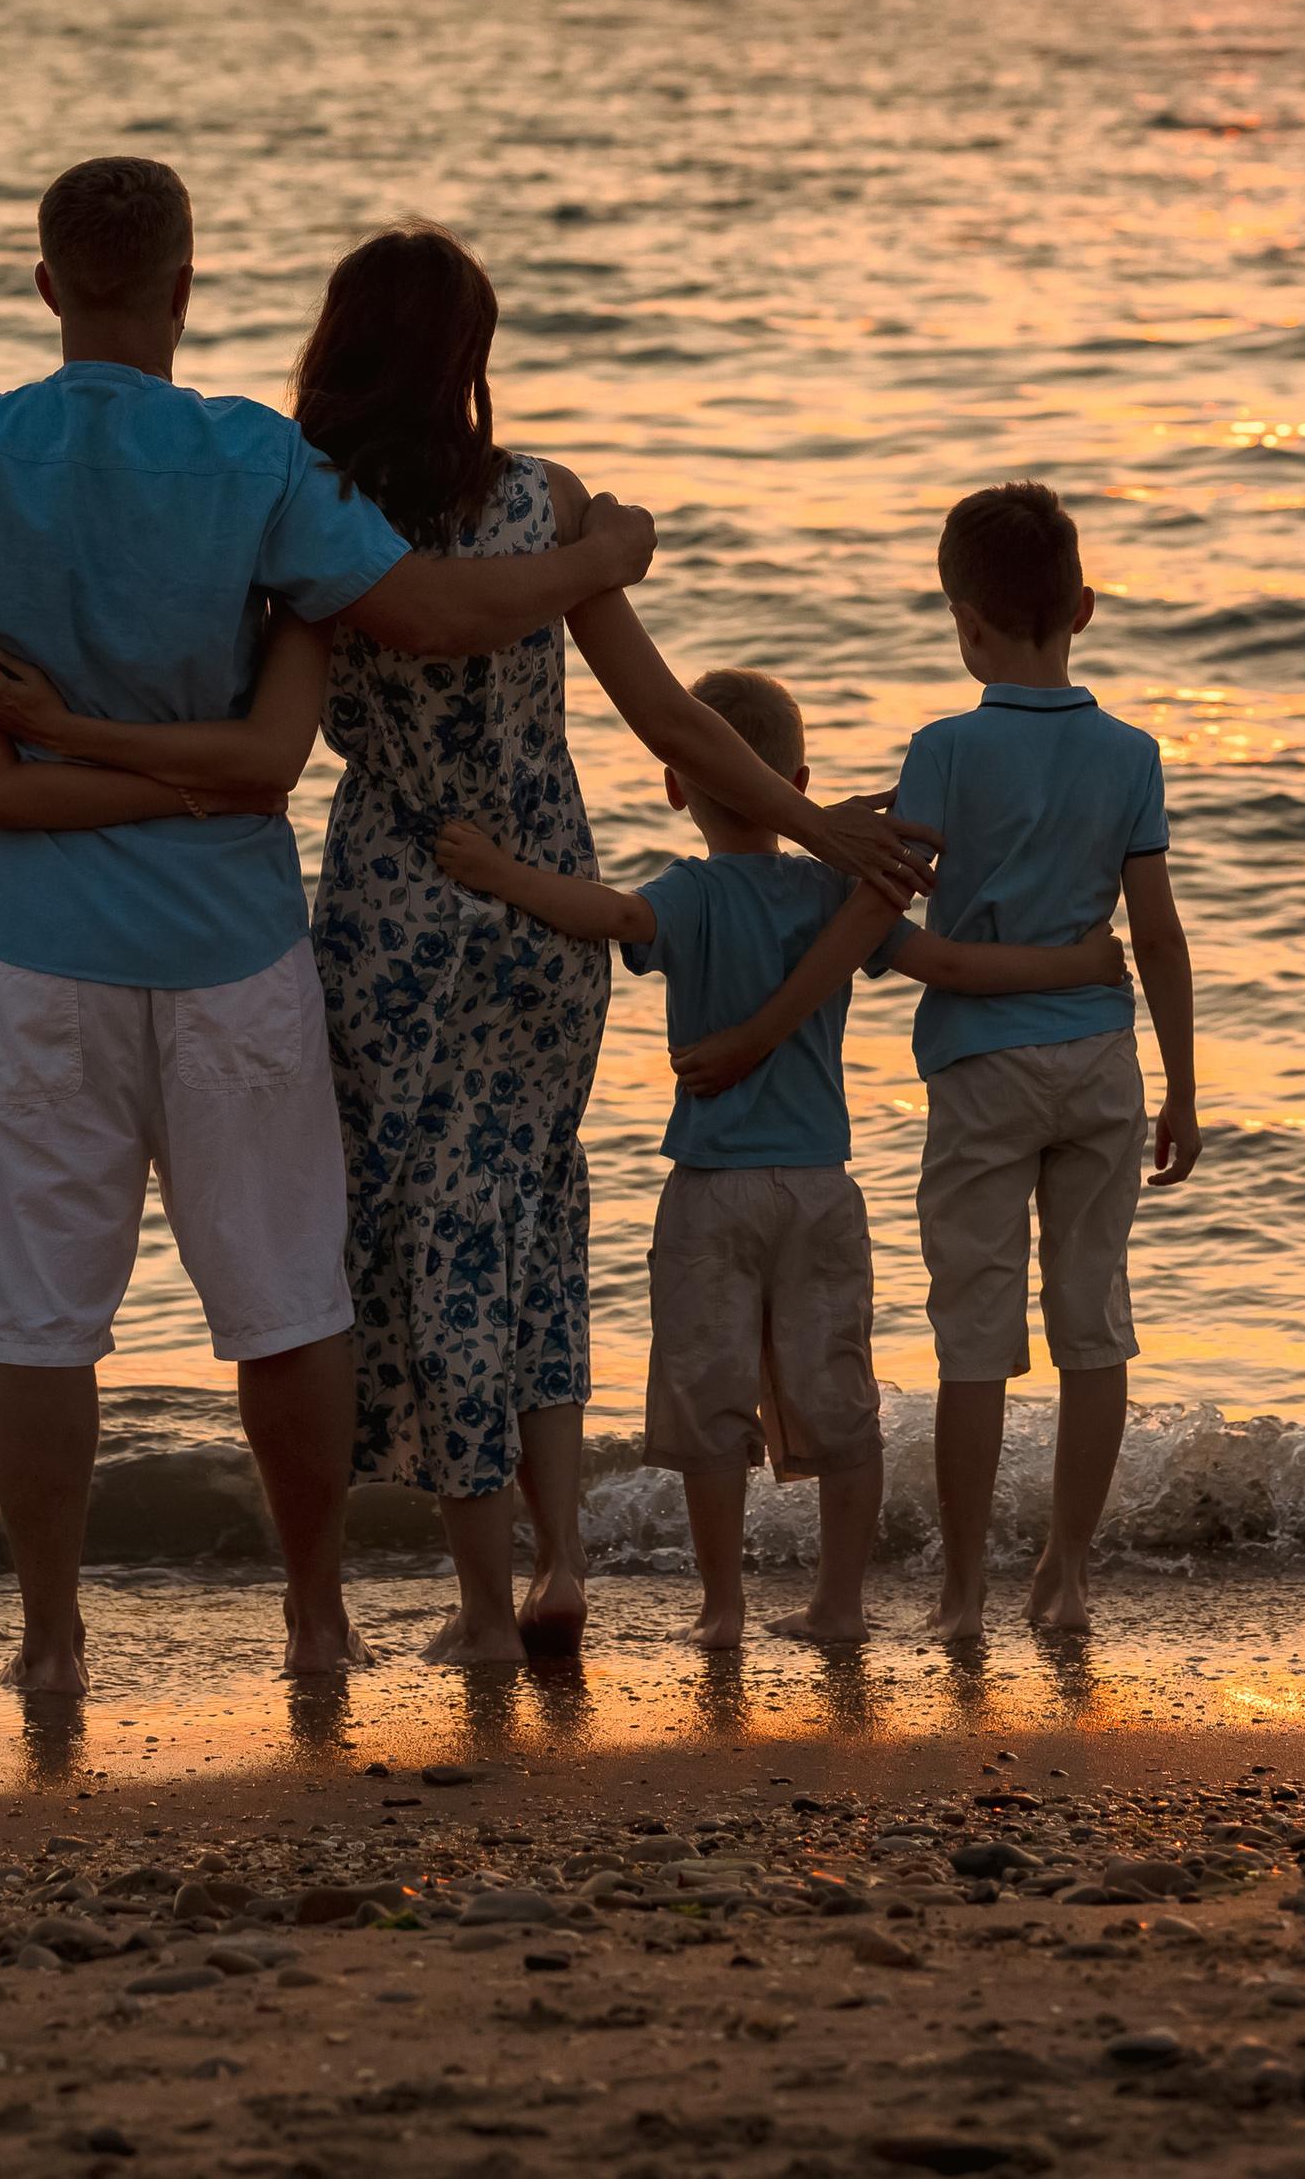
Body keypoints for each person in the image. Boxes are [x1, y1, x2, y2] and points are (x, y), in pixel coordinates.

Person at [0, 158, 661, 1692]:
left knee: (46, 1325)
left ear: (49, 288)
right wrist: (594, 559)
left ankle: (53, 1644)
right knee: (285, 1301)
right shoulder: (253, 461)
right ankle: (315, 1619)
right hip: (235, 950)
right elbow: (435, 618)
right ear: (186, 289)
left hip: (34, 956)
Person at [279, 230, 933, 1669]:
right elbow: (676, 725)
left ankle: (477, 1606)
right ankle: (562, 1560)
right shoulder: (544, 505)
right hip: (547, 908)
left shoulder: (307, 509)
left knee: (429, 1236)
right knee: (530, 1219)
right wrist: (823, 833)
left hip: (395, 905)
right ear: (470, 360)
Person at [436, 663, 1129, 1651]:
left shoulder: (688, 895)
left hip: (708, 1191)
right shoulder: (831, 896)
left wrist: (502, 875)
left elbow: (610, 917)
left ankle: (722, 1611)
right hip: (817, 1187)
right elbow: (950, 965)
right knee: (840, 1404)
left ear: (676, 785)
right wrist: (1078, 967)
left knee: (709, 1409)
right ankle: (838, 1605)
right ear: (799, 781)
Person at [671, 484, 1199, 1643]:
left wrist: (767, 1029)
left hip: (979, 1082)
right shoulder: (1132, 755)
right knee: (1093, 1325)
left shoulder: (946, 753)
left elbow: (873, 919)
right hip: (1103, 1065)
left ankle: (960, 1599)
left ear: (963, 623)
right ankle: (1062, 1578)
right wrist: (1182, 1088)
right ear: (1085, 609)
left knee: (975, 1339)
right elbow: (1153, 933)